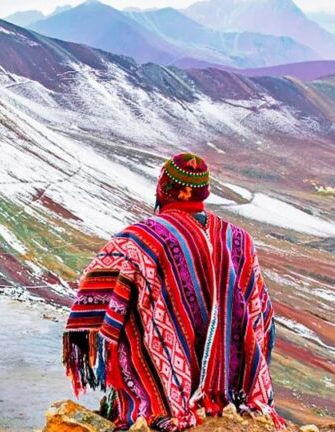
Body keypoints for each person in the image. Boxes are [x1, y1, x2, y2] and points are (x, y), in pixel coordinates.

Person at [63, 153, 283, 431]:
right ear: (205, 192)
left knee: (133, 310)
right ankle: (220, 392)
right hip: (230, 385)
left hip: (168, 383)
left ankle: (159, 394)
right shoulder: (239, 239)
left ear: (163, 189)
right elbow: (258, 310)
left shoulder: (141, 239)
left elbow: (97, 288)